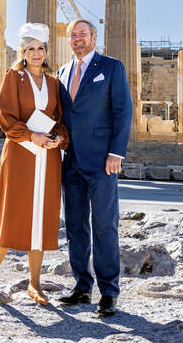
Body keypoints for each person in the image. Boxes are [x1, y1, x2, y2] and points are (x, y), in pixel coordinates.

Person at [0, 23, 69, 307]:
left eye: (41, 48)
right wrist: (32, 135)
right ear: (24, 51)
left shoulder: (55, 83)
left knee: (41, 217)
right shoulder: (13, 77)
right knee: (11, 212)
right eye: (31, 48)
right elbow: (6, 118)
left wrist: (58, 139)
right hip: (19, 153)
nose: (36, 53)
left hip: (48, 157)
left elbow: (62, 121)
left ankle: (35, 282)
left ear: (46, 51)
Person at [56, 18, 132, 317]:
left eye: (82, 34)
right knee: (75, 227)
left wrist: (116, 152)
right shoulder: (62, 72)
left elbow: (122, 111)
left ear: (94, 36)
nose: (78, 39)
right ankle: (82, 287)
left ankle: (109, 292)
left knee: (104, 225)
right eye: (73, 35)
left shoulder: (111, 67)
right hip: (70, 160)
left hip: (103, 160)